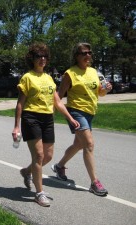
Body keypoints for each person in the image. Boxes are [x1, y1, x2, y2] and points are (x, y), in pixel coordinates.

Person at [12, 43, 80, 207]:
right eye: (38, 56)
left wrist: (70, 118)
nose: (42, 59)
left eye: (45, 56)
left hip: (48, 118)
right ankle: (39, 193)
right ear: (32, 59)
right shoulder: (27, 77)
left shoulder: (49, 78)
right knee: (39, 156)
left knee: (48, 156)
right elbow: (20, 103)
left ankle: (26, 172)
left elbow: (57, 101)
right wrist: (16, 126)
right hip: (31, 117)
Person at [51, 42, 112, 196]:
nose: (87, 56)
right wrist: (51, 112)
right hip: (76, 112)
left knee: (79, 145)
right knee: (89, 144)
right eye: (83, 53)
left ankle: (59, 166)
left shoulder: (93, 72)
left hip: (90, 112)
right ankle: (94, 183)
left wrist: (105, 90)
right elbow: (59, 96)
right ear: (76, 56)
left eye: (89, 53)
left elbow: (99, 93)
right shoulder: (70, 73)